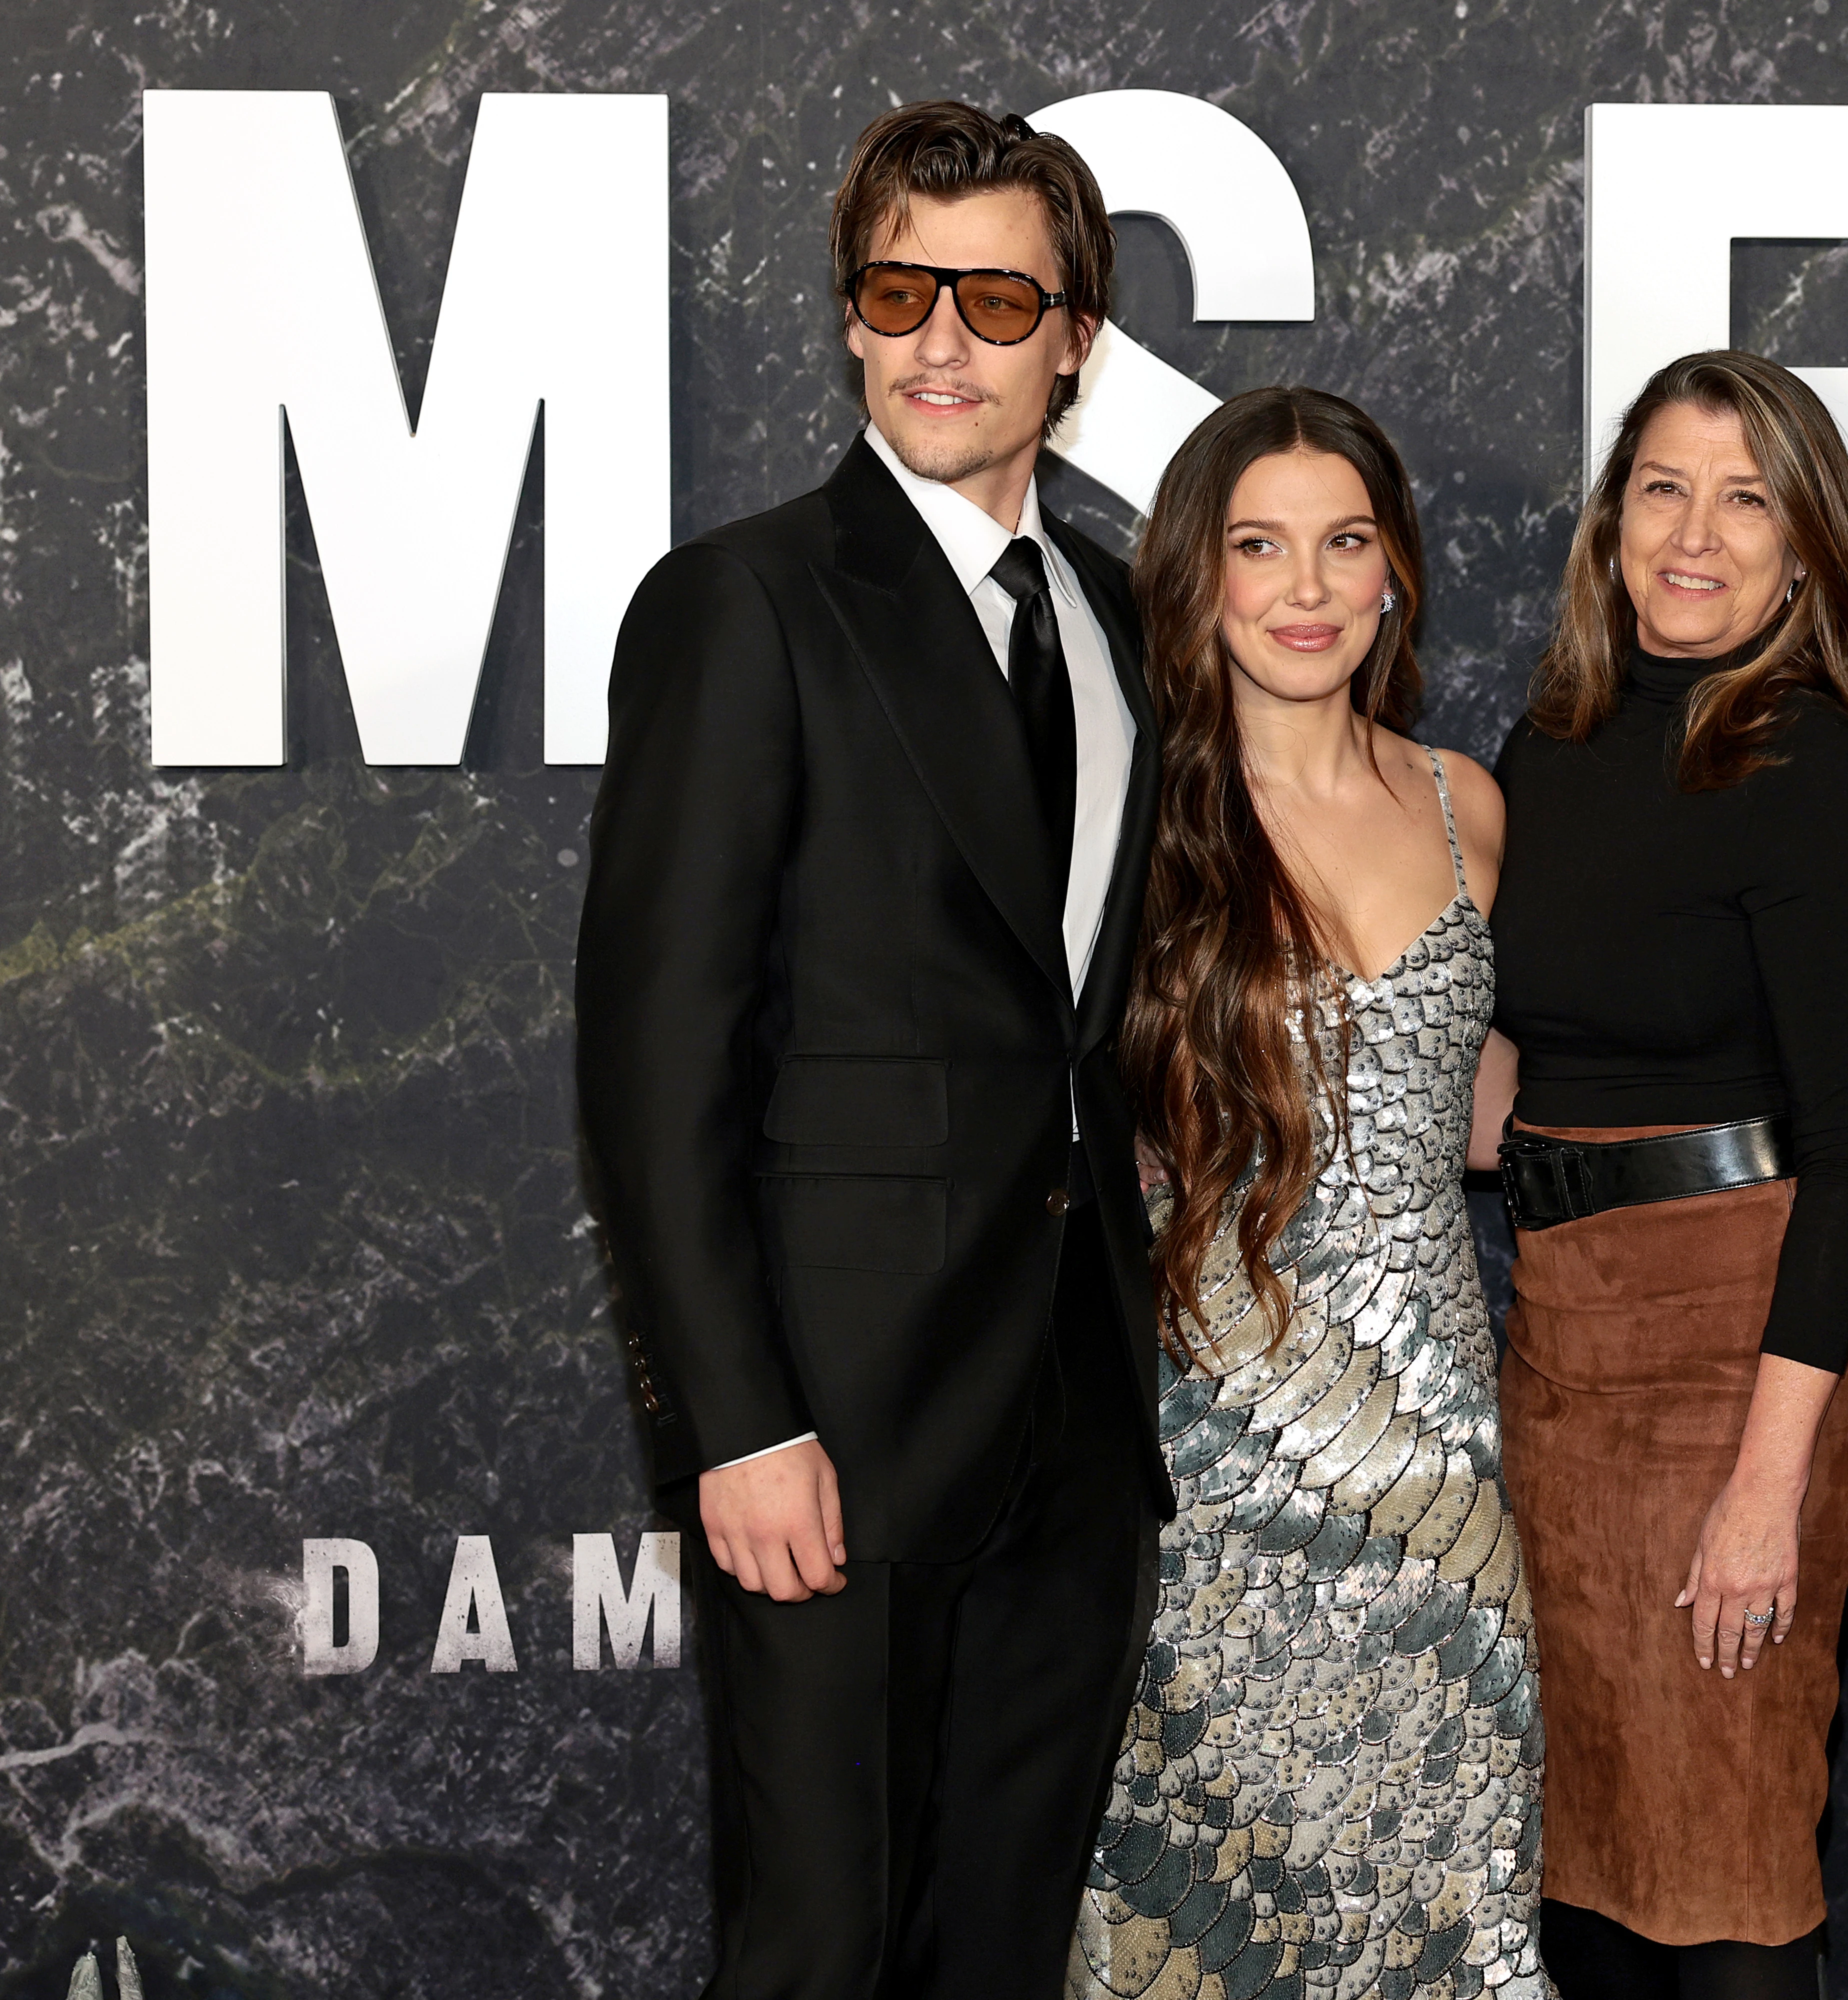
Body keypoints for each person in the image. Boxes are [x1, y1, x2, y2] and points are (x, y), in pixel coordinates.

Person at [574, 102, 1165, 1999]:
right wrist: (736, 1422)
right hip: (832, 1425)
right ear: (847, 315)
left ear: (1076, 339)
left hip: (1069, 1430)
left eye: (997, 299)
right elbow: (657, 1068)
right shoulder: (744, 603)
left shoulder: (1114, 616)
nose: (941, 339)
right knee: (818, 1957)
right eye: (901, 289)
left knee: (997, 1954)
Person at [1066, 386, 1542, 1998]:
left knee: (1440, 1908)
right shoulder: (1130, 822)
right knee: (1208, 1917)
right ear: (1198, 580)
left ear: (1396, 571)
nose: (1308, 587)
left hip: (1441, 1483)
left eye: (1345, 543)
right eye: (1259, 547)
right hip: (1213, 1476)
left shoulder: (1468, 806)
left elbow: (1473, 1103)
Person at [1489, 350, 1848, 1993]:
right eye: (1664, 487)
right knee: (1584, 1869)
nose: (1696, 536)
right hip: (1558, 1337)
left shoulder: (1799, 760)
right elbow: (1524, 1063)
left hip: (1736, 1342)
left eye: (1749, 501)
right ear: (1610, 524)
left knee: (1722, 1868)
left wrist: (1770, 1486)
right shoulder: (1556, 742)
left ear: (1805, 553)